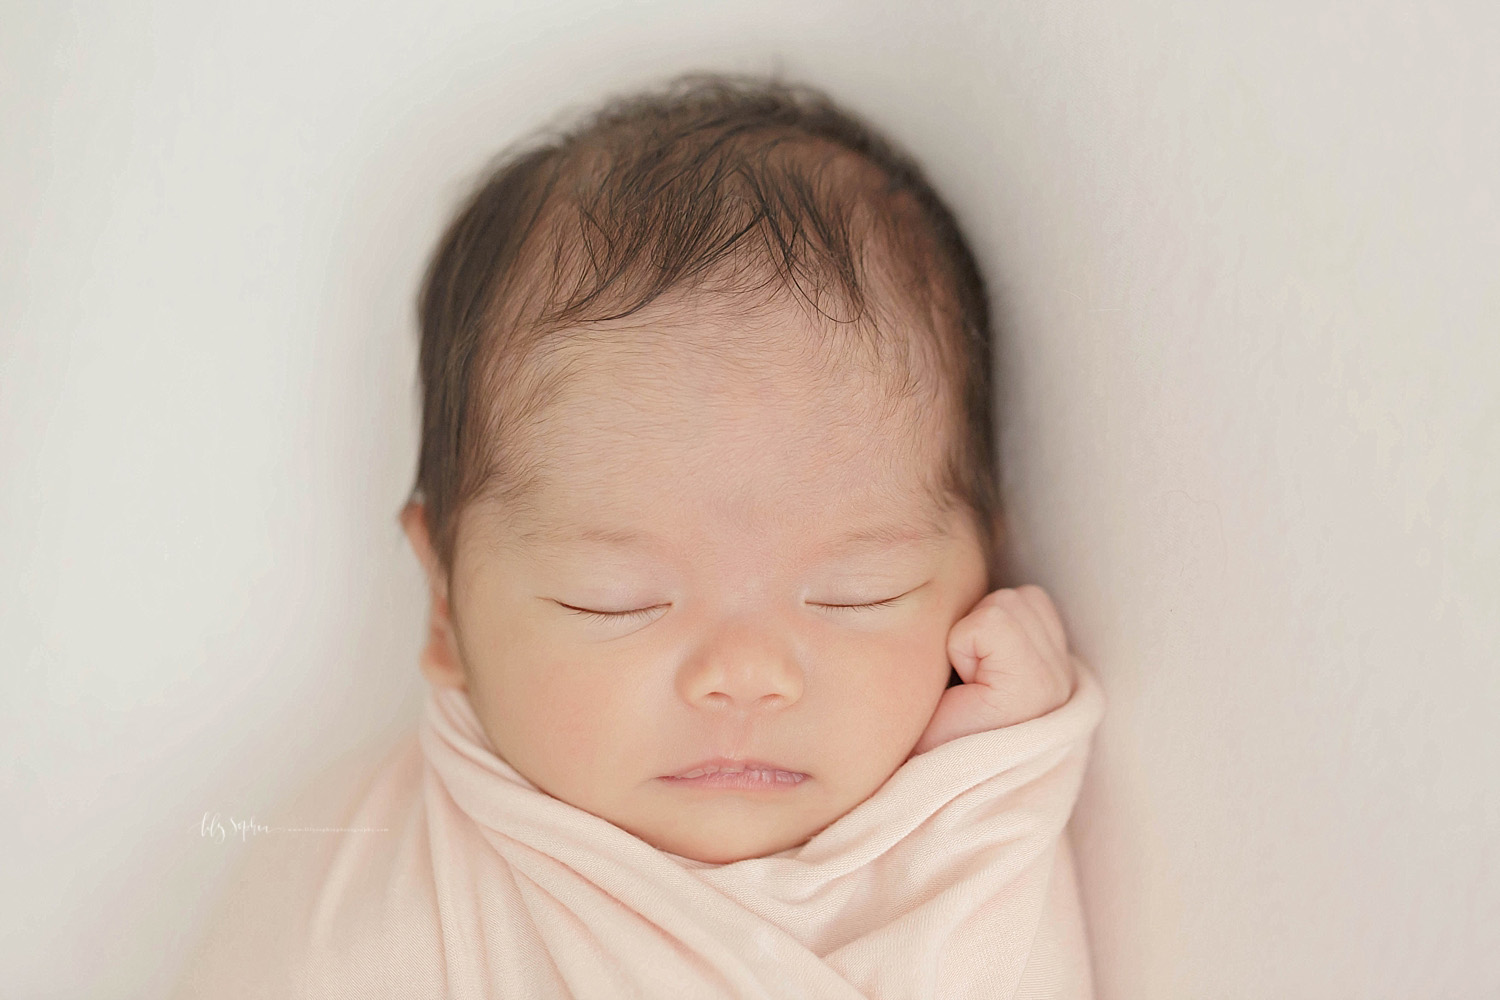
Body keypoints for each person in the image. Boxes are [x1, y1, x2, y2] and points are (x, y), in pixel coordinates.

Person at [173, 71, 1105, 999]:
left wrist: (987, 782)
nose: (743, 674)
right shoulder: (361, 898)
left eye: (856, 594)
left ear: (984, 575)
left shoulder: (960, 826)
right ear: (447, 604)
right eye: (615, 600)